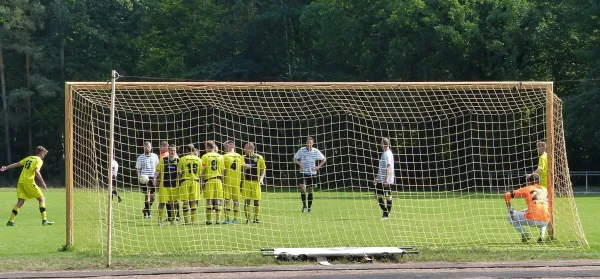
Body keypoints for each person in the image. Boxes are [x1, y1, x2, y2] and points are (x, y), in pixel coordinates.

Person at [2, 146, 53, 226]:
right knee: (41, 199)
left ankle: (10, 221)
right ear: (41, 153)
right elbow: (36, 171)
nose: (44, 156)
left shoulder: (29, 158)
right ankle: (44, 220)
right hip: (28, 182)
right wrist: (42, 182)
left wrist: (6, 167)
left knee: (20, 202)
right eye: (44, 154)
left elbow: (18, 163)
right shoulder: (39, 160)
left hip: (21, 182)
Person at [504, 173, 550, 243]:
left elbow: (506, 195)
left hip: (532, 219)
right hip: (546, 221)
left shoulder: (527, 188)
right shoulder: (544, 189)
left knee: (510, 217)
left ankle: (524, 234)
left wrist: (510, 210)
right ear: (539, 181)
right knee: (543, 212)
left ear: (528, 181)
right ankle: (542, 236)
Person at [293, 137, 326, 213]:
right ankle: (304, 206)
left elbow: (324, 159)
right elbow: (294, 159)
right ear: (306, 143)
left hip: (312, 173)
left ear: (312, 143)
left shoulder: (315, 151)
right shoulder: (301, 150)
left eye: (310, 142)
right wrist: (299, 163)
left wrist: (318, 166)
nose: (308, 144)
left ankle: (309, 208)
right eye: (307, 142)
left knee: (310, 190)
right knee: (303, 188)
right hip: (303, 172)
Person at [200, 141, 225, 225]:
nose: (205, 149)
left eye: (205, 147)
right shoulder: (220, 157)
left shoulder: (205, 156)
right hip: (218, 180)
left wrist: (201, 182)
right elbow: (222, 171)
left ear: (207, 147)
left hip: (209, 180)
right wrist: (223, 182)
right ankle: (218, 220)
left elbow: (203, 170)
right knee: (218, 199)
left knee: (209, 200)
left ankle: (209, 220)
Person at [154, 144, 180, 226]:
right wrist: (154, 178)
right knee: (162, 203)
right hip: (164, 185)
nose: (172, 152)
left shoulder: (178, 160)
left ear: (176, 152)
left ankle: (173, 220)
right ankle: (159, 221)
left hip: (174, 186)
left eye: (174, 150)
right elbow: (158, 170)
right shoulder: (163, 159)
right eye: (171, 150)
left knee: (174, 203)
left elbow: (181, 173)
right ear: (168, 151)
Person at [178, 144, 202, 225]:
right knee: (193, 202)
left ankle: (186, 221)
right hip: (195, 181)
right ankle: (193, 221)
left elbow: (179, 172)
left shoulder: (182, 159)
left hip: (185, 181)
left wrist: (179, 180)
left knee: (185, 202)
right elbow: (200, 173)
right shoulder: (198, 159)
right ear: (193, 150)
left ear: (186, 150)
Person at [242, 142, 266, 224]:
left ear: (250, 149)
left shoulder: (259, 157)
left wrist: (261, 178)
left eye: (245, 148)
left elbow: (263, 169)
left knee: (256, 200)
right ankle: (248, 219)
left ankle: (256, 218)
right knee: (247, 201)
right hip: (246, 182)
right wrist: (244, 169)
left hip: (256, 182)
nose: (243, 149)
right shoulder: (242, 158)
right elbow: (241, 171)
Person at [222, 140, 244, 224]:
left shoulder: (224, 156)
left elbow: (223, 171)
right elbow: (243, 169)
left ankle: (227, 219)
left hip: (227, 181)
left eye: (225, 147)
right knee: (236, 200)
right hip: (237, 182)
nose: (224, 149)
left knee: (227, 200)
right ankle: (235, 219)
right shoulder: (240, 156)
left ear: (229, 146)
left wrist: (223, 182)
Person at [136, 141, 159, 218]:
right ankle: (148, 214)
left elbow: (157, 168)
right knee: (147, 195)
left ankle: (145, 209)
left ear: (151, 147)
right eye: (145, 147)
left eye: (148, 147)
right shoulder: (140, 157)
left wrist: (156, 178)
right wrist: (139, 178)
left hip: (152, 177)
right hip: (144, 178)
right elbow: (138, 169)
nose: (147, 149)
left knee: (153, 197)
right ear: (143, 148)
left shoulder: (155, 156)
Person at [374, 138, 394, 220]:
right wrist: (377, 178)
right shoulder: (386, 153)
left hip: (385, 179)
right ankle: (387, 213)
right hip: (381, 179)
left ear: (383, 144)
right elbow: (381, 167)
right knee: (386, 196)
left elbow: (388, 166)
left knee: (382, 195)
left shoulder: (387, 154)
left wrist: (386, 179)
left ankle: (385, 214)